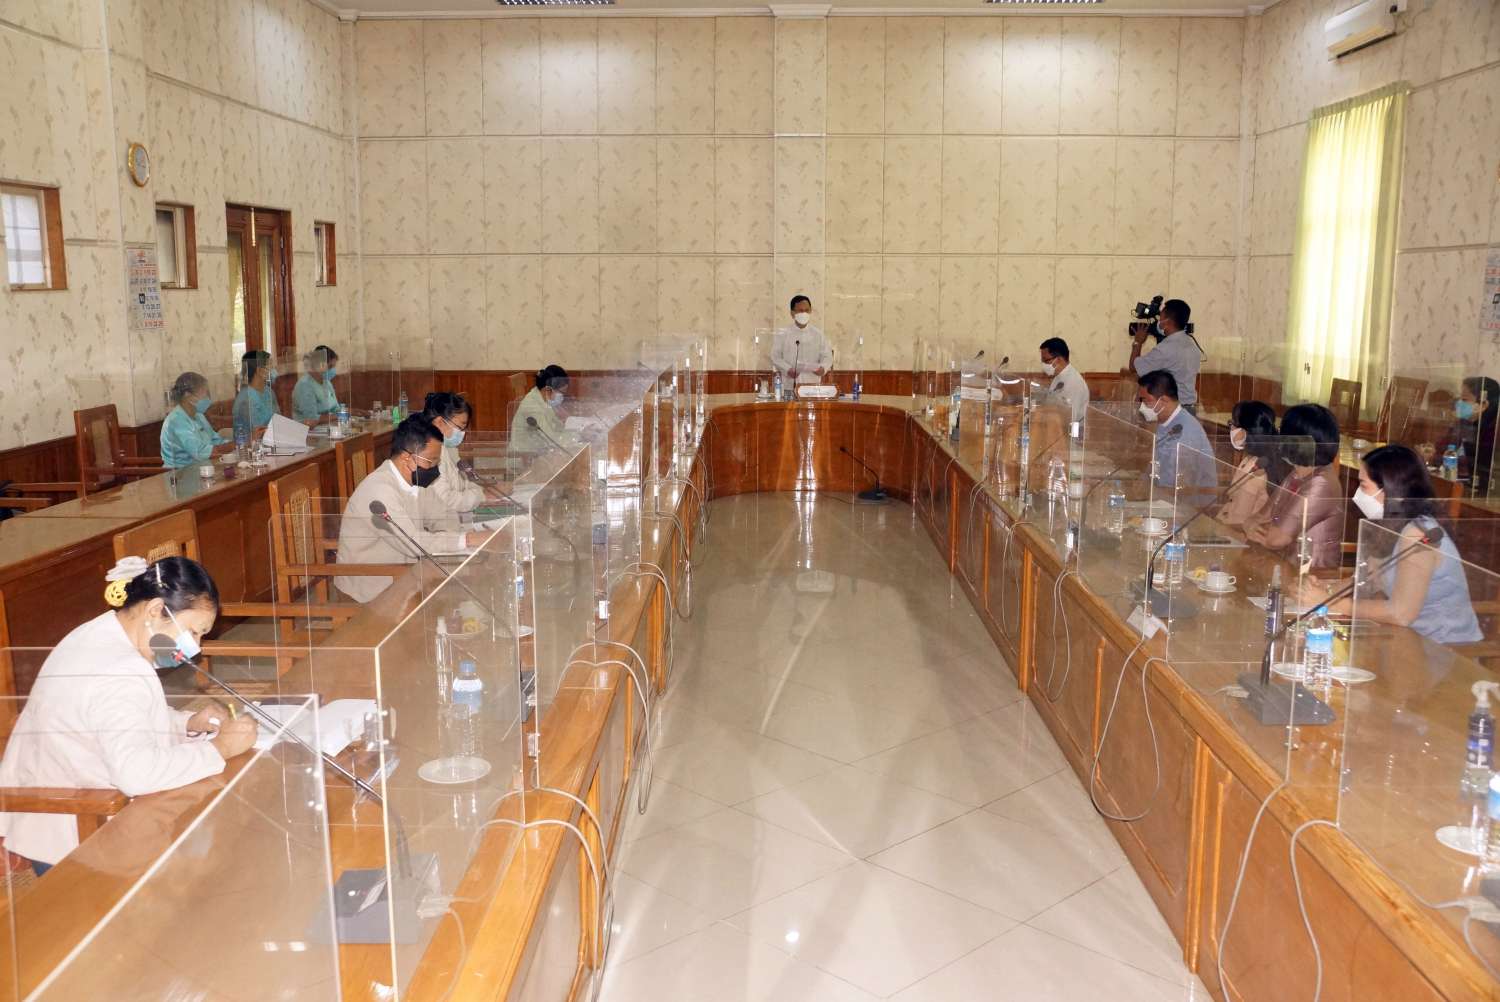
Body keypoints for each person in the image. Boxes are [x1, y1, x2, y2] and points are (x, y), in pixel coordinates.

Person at [0, 556, 257, 874]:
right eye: (193, 631)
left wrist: (186, 723)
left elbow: (114, 717)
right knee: (213, 856)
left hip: (49, 818)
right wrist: (221, 748)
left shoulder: (100, 632)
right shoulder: (122, 669)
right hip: (79, 830)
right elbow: (136, 775)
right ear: (155, 610)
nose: (195, 647)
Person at [1300, 444, 1481, 644]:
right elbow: (1367, 579)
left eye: (1363, 486)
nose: (1357, 494)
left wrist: (1331, 603)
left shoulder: (1418, 535)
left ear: (1391, 490)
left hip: (1444, 646)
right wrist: (1326, 589)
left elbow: (1400, 614)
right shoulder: (1390, 525)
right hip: (1406, 638)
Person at [336, 415, 473, 602]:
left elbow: (443, 515)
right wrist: (466, 540)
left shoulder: (415, 478)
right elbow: (412, 544)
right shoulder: (379, 491)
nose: (434, 469)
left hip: (406, 575)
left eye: (437, 463)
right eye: (430, 462)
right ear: (407, 458)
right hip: (372, 588)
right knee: (453, 600)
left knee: (464, 591)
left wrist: (455, 538)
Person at [1246, 403, 1344, 569]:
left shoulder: (1321, 483)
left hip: (1311, 576)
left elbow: (1277, 539)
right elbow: (1257, 519)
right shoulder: (1298, 473)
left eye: (1283, 434)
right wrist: (1252, 526)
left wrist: (1258, 530)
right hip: (1284, 567)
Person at [421, 391, 504, 513]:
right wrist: (482, 496)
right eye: (459, 428)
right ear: (439, 422)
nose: (462, 434)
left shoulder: (447, 447)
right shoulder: (429, 452)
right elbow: (446, 501)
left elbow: (461, 483)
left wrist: (485, 490)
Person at [1137, 370, 1215, 496]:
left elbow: (1176, 488)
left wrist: (1148, 492)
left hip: (1191, 503)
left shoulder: (1186, 432)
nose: (1142, 406)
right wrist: (1143, 482)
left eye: (1146, 401)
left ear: (1163, 400)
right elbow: (1156, 463)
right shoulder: (1167, 423)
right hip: (1163, 495)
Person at [1129, 299, 1201, 412]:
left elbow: (1134, 367)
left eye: (1161, 318)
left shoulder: (1166, 349)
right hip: (1190, 408)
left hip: (1173, 410)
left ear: (1167, 322)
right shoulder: (1193, 346)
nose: (1159, 321)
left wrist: (1138, 342)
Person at [1218, 401, 1279, 528]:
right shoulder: (1253, 459)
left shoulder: (1257, 469)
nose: (1231, 428)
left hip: (1236, 533)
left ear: (1244, 432)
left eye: (1232, 424)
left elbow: (1238, 519)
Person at [1440, 376, 1499, 495]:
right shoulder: (1465, 423)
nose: (1459, 403)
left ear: (1483, 405)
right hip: (1461, 485)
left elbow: (1478, 467)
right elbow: (1443, 450)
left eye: (1464, 399)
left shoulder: (1493, 432)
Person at [159, 371, 231, 469]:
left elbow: (215, 440)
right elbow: (201, 453)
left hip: (203, 468)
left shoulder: (199, 416)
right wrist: (235, 445)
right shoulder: (176, 421)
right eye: (204, 393)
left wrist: (239, 444)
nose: (208, 398)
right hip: (180, 474)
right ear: (188, 395)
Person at [511, 365, 579, 454]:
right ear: (548, 389)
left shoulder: (544, 400)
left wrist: (578, 433)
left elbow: (558, 427)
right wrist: (578, 437)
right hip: (523, 456)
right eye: (561, 392)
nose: (562, 397)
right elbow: (551, 440)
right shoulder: (532, 406)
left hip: (540, 452)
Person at [771, 295, 833, 386]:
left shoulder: (818, 335)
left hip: (812, 386)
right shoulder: (783, 334)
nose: (804, 313)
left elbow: (827, 356)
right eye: (800, 310)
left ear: (810, 311)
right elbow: (775, 357)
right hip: (789, 385)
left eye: (807, 310)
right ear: (792, 313)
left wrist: (823, 368)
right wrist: (787, 369)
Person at [1039, 337, 1088, 423]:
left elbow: (1069, 418)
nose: (1043, 365)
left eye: (1046, 361)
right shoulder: (1058, 377)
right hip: (1053, 424)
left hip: (1066, 429)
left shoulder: (1074, 383)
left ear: (1058, 359)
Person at [233, 350, 281, 436]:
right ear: (259, 370)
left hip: (274, 436)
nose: (273, 369)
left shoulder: (269, 392)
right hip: (254, 442)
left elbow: (278, 419)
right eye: (270, 365)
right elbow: (258, 432)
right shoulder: (246, 398)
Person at [292, 346, 340, 424]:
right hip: (308, 429)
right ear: (320, 365)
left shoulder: (327, 383)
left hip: (329, 425)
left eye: (334, 367)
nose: (333, 370)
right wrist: (338, 415)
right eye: (330, 366)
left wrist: (349, 412)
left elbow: (336, 409)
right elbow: (312, 419)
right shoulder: (305, 385)